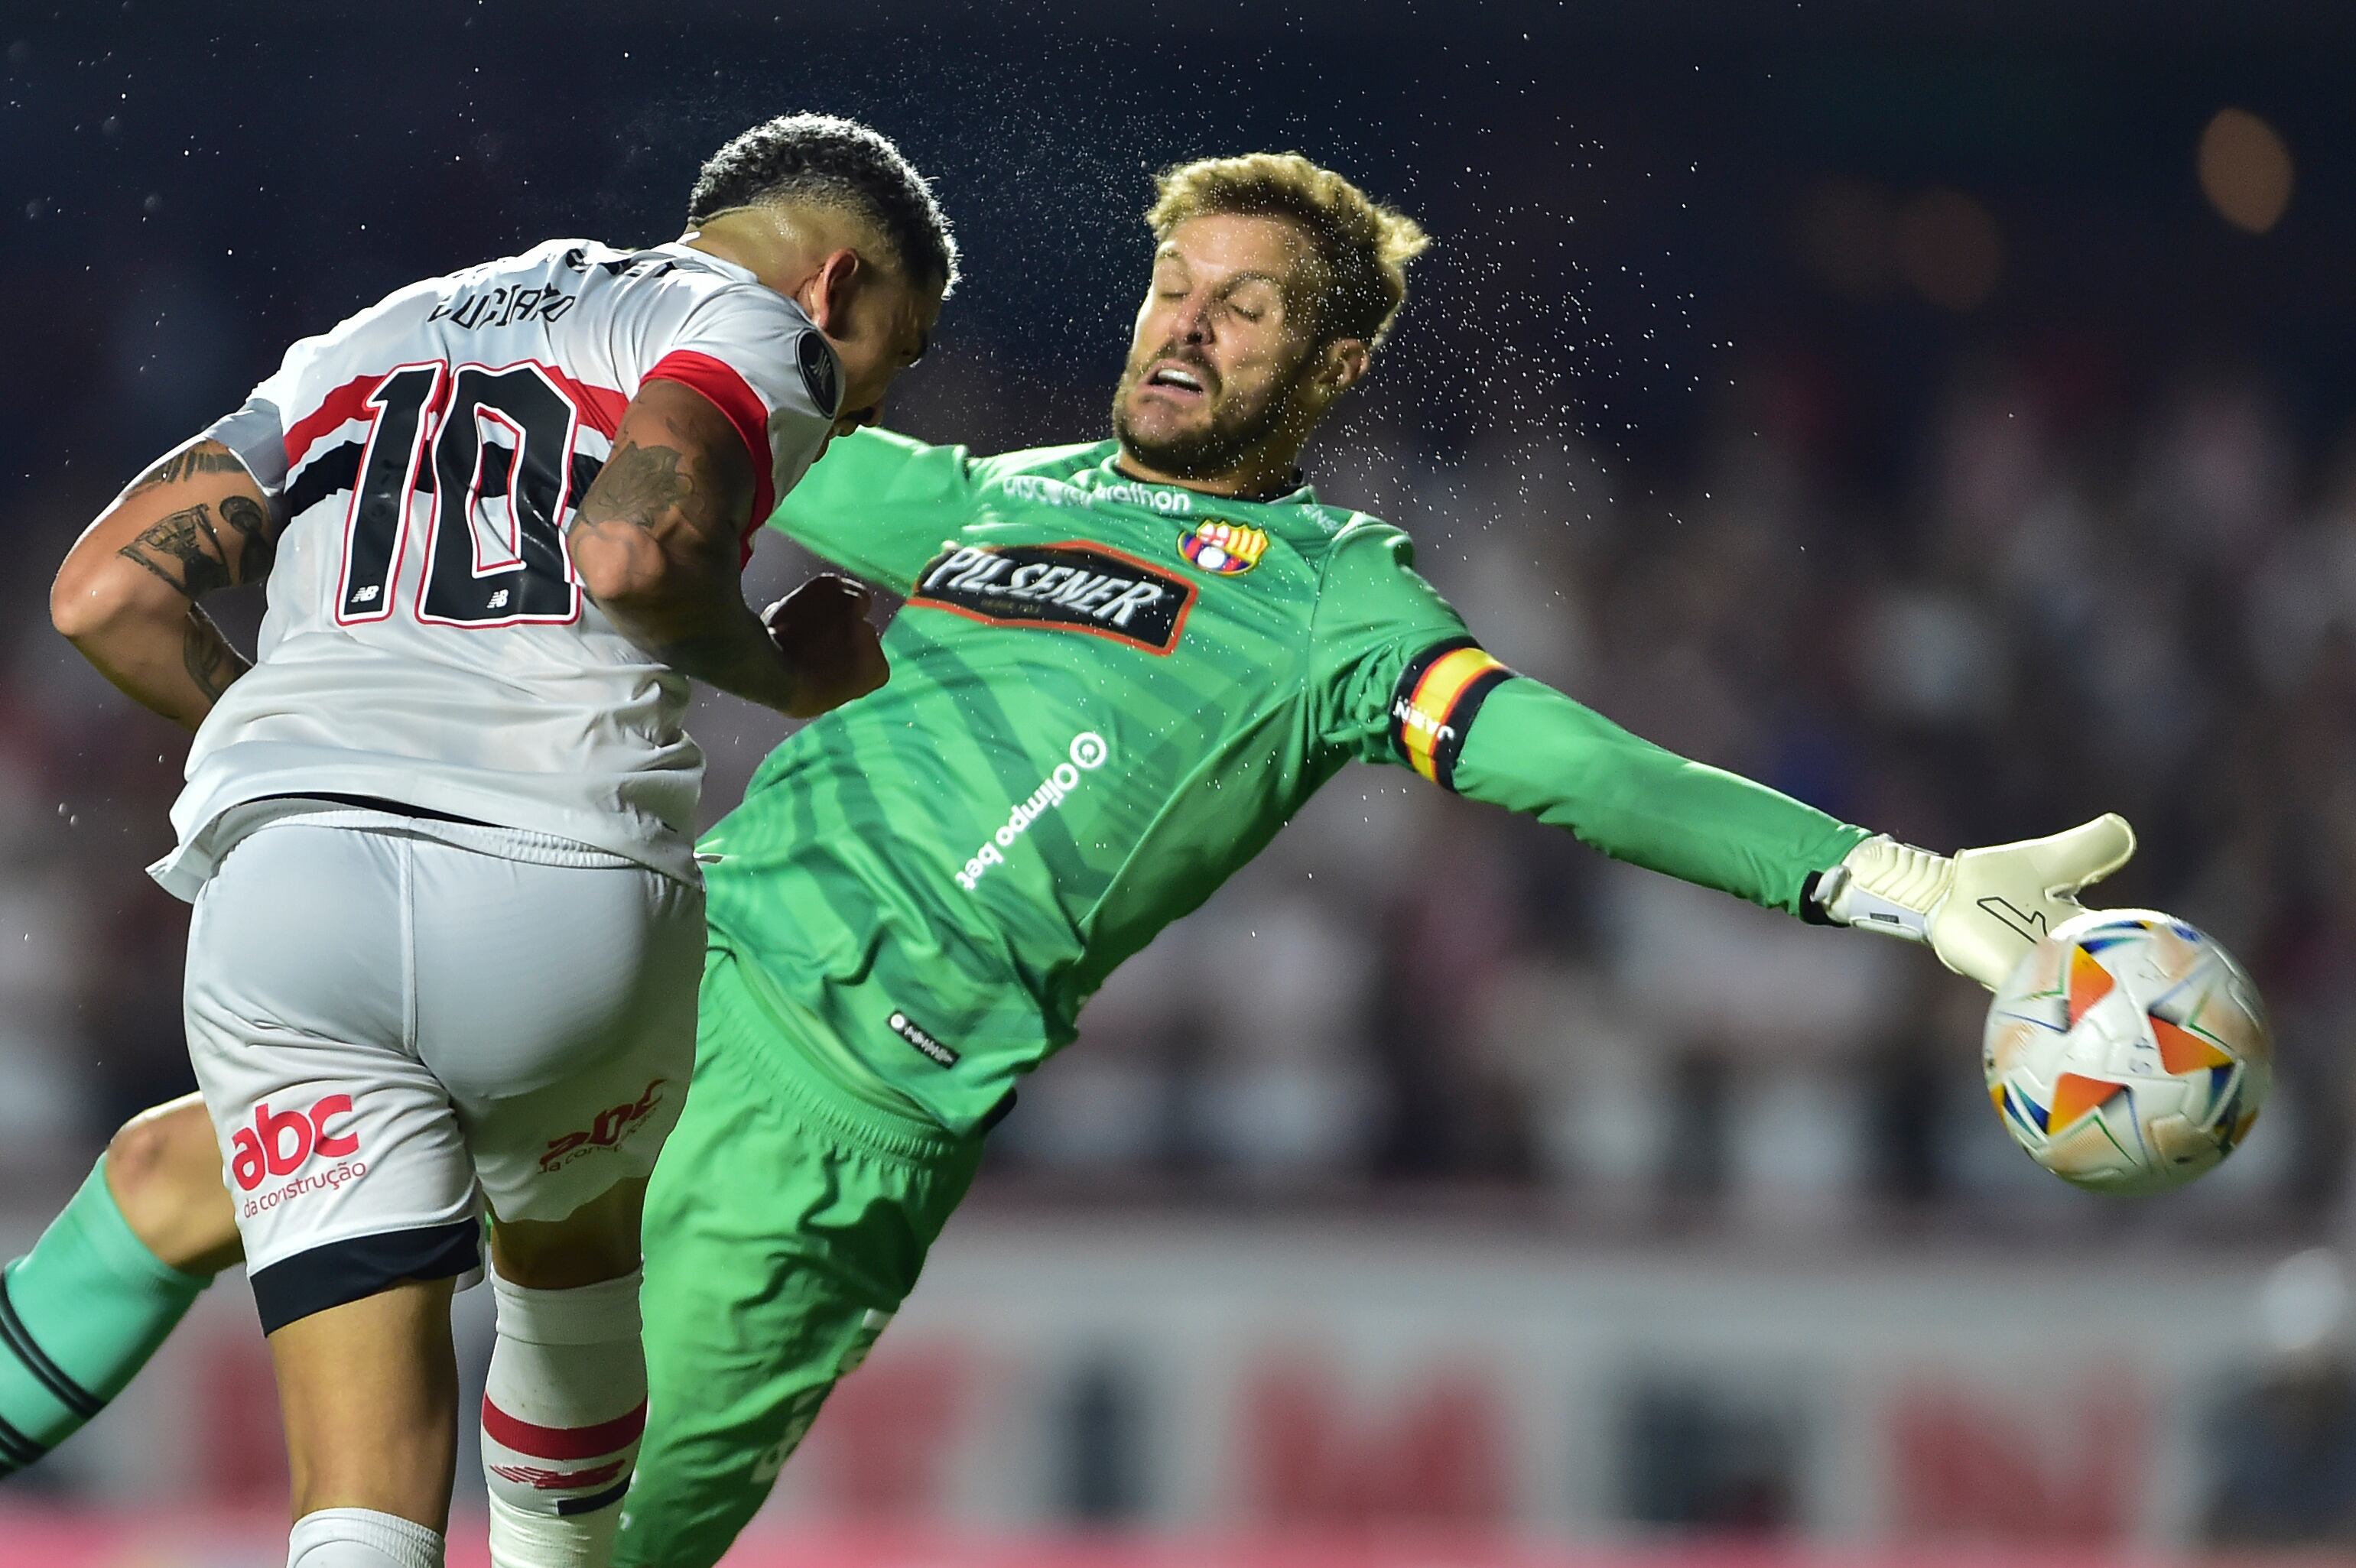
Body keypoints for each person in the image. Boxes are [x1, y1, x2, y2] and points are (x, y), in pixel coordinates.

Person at [2, 152, 2129, 1568]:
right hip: (661, 949)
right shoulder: (955, 491)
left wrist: (1896, 880)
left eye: (1249, 310)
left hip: (839, 1112)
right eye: (1170, 285)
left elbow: (1574, 765)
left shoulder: (1330, 607)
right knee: (180, 1170)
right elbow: (624, 463)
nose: (1185, 330)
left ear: (1337, 363)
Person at [29, 113, 947, 1568]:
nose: (866, 409)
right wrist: (790, 671)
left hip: (289, 895)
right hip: (560, 881)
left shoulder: (377, 336)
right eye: (888, 363)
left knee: (353, 1491)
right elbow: (635, 554)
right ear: (835, 285)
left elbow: (101, 595)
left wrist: (294, 726)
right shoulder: (749, 324)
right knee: (569, 1249)